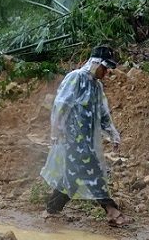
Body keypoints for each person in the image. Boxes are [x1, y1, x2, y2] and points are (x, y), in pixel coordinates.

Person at [40, 46, 132, 227]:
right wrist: (56, 130)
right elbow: (61, 105)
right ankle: (112, 212)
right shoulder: (76, 78)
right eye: (104, 67)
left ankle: (51, 210)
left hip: (88, 142)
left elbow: (103, 113)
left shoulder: (97, 86)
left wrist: (113, 134)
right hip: (71, 139)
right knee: (93, 172)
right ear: (94, 63)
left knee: (73, 176)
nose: (106, 72)